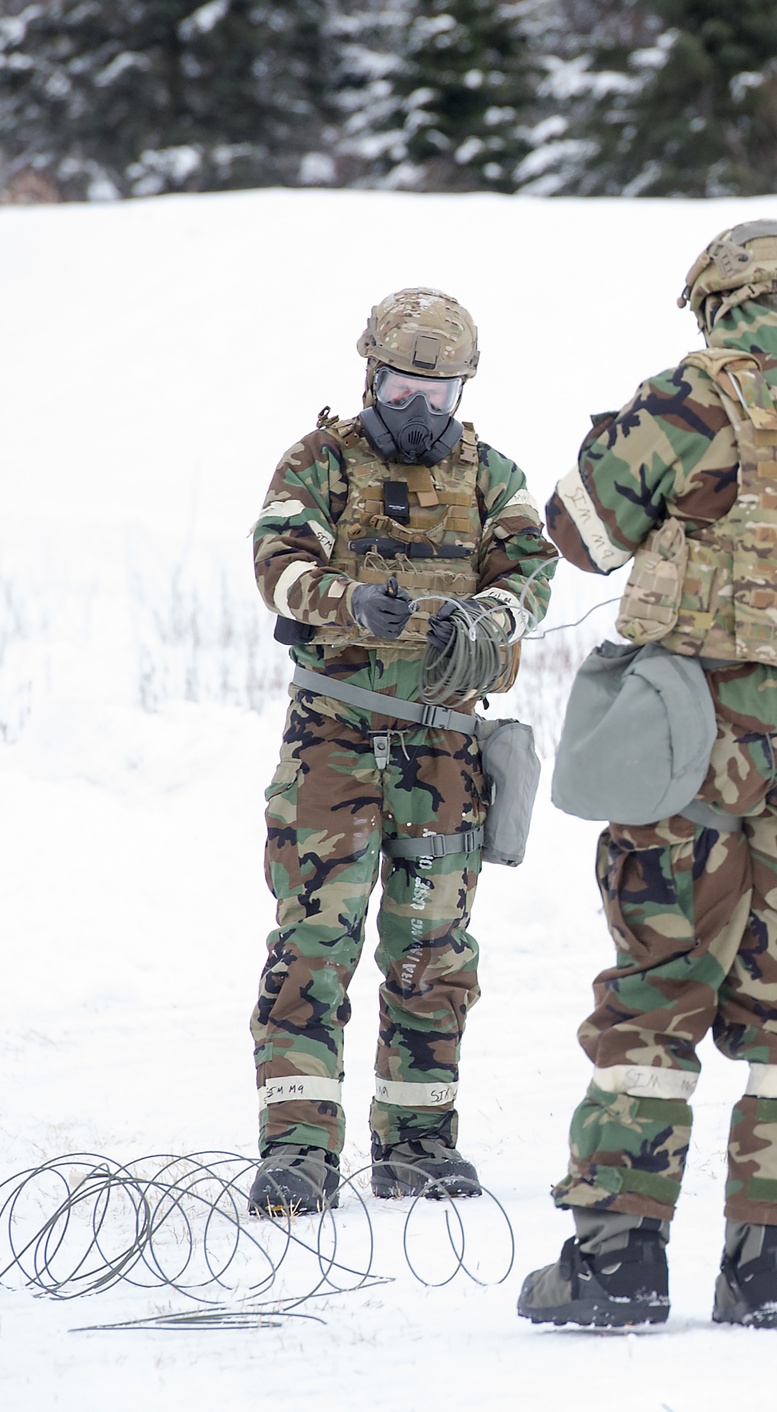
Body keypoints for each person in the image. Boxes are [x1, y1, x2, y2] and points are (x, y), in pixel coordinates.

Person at [518, 221, 777, 1328]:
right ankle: (774, 1266)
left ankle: (615, 1263)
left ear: (714, 301)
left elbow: (579, 532)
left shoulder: (689, 398)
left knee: (659, 986)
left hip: (689, 737)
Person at [247, 286, 556, 1215]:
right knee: (315, 943)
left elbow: (532, 573)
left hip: (444, 754)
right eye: (401, 389)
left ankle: (417, 1143)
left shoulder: (490, 474)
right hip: (334, 745)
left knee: (432, 949)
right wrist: (348, 604)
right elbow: (278, 564)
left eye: (440, 393)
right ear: (368, 375)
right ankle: (297, 1147)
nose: (420, 411)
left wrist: (489, 615)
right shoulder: (321, 464)